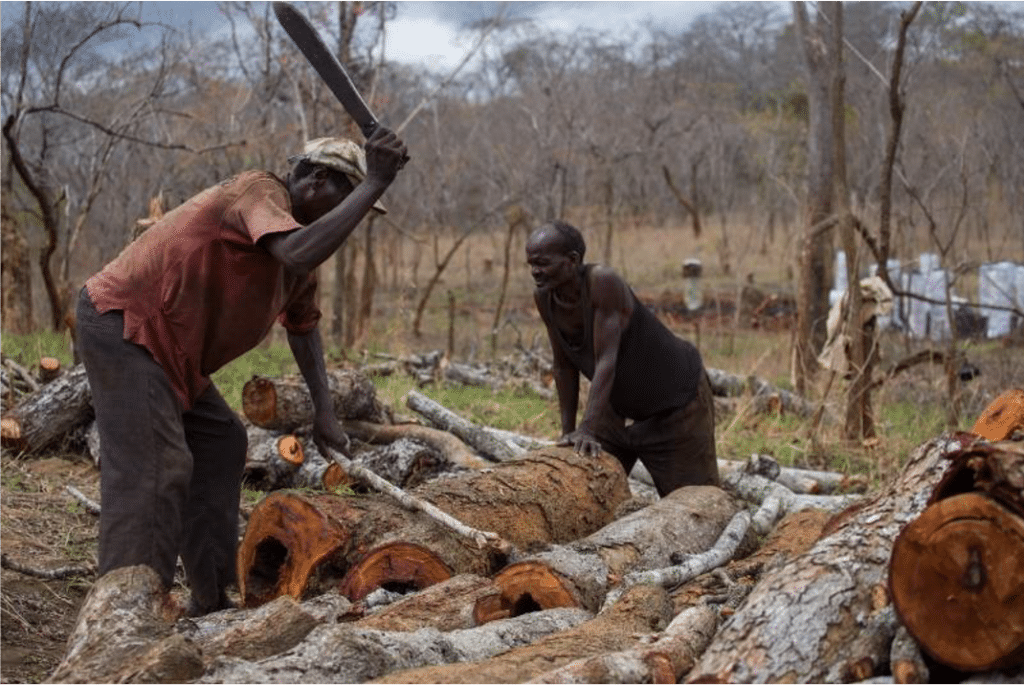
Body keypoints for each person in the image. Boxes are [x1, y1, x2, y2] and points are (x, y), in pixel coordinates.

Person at [75, 126, 407, 616]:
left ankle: (210, 600)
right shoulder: (258, 191)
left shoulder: (298, 263)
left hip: (174, 358)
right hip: (125, 325)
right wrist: (375, 182)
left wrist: (324, 412)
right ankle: (125, 610)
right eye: (348, 200)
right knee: (155, 468)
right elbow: (297, 250)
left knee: (221, 442)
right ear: (314, 182)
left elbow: (304, 329)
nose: (349, 221)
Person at [525, 220, 718, 496]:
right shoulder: (545, 297)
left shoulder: (602, 282)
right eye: (531, 264)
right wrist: (569, 432)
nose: (535, 272)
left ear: (572, 260)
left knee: (697, 506)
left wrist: (588, 428)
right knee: (587, 494)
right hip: (615, 410)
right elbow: (563, 365)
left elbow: (606, 359)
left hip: (675, 408)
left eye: (543, 263)